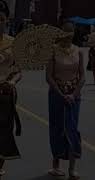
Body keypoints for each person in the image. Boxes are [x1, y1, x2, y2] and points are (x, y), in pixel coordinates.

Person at [46, 21, 85, 180]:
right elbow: (48, 76)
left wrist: (74, 93)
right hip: (56, 94)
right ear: (60, 32)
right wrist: (62, 94)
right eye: (66, 31)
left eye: (72, 31)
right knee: (56, 128)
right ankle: (55, 166)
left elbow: (82, 75)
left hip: (74, 95)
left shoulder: (79, 51)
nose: (69, 34)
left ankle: (72, 168)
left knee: (72, 127)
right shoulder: (53, 50)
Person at [0, 1, 22, 177]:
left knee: (4, 133)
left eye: (1, 19)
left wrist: (12, 82)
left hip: (6, 94)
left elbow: (18, 72)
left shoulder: (13, 43)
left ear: (6, 21)